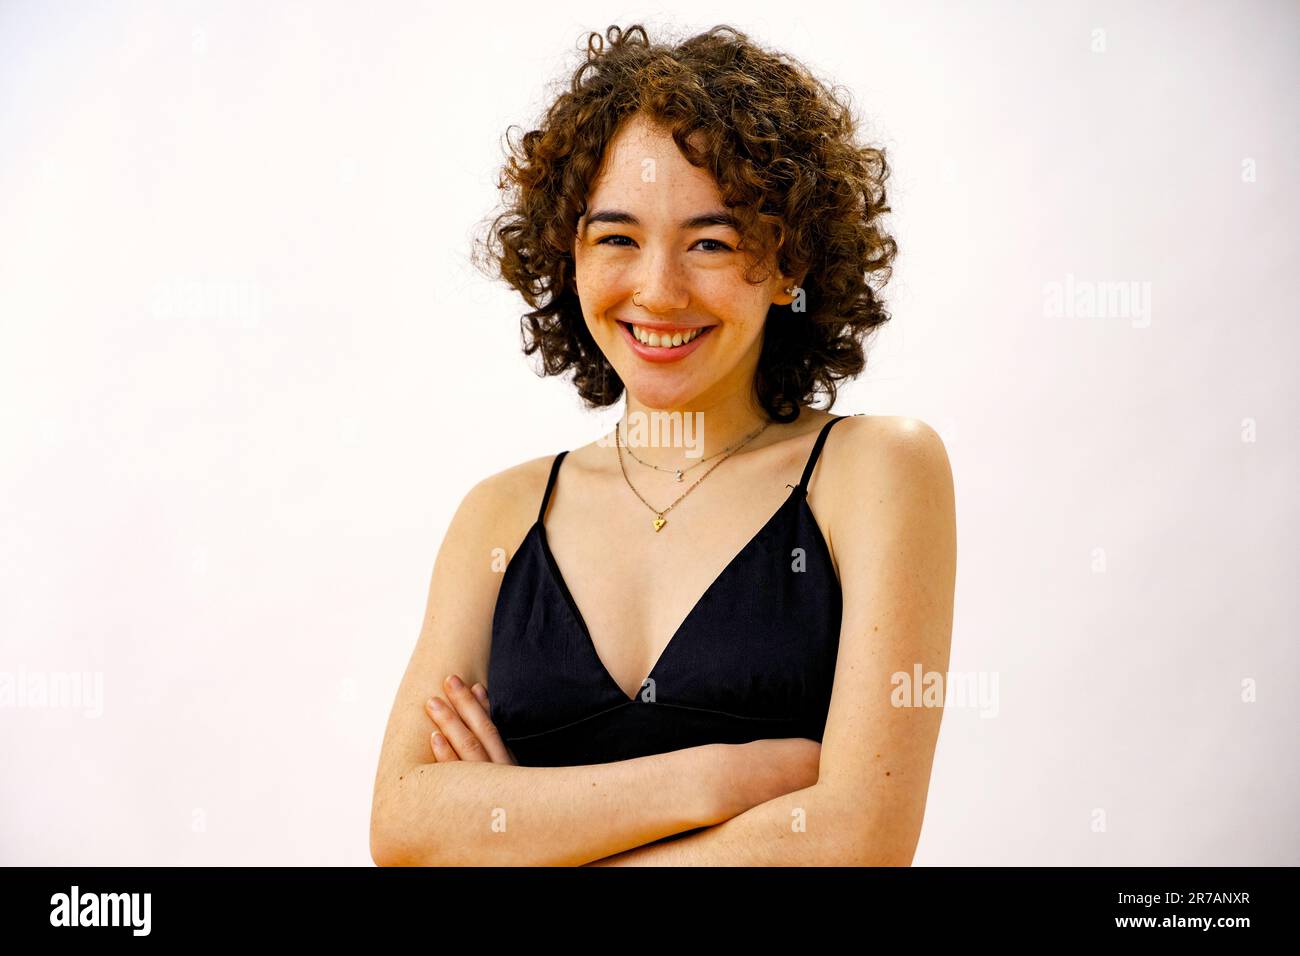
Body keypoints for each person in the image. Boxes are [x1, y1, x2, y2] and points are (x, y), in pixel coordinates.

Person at [370, 23, 955, 866]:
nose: (658, 289)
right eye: (617, 237)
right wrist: (712, 781)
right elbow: (401, 826)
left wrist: (520, 827)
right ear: (566, 257)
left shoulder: (877, 471)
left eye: (710, 242)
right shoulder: (499, 514)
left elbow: (859, 840)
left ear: (791, 262)